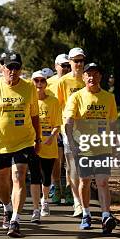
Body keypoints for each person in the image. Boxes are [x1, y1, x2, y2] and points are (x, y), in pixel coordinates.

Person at [0, 51, 40, 237]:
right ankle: (7, 207)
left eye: (16, 67)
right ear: (2, 67)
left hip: (24, 141)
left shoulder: (29, 88)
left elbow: (34, 115)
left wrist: (38, 139)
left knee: (19, 176)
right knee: (2, 180)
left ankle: (16, 220)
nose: (13, 71)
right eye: (9, 67)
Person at [64, 63, 118, 234]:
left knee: (102, 182)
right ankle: (86, 213)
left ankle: (105, 216)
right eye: (88, 74)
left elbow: (113, 123)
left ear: (100, 77)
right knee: (85, 182)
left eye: (95, 74)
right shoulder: (77, 97)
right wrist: (72, 142)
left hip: (103, 147)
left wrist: (115, 142)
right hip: (83, 147)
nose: (91, 77)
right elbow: (69, 122)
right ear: (83, 77)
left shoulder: (109, 98)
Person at [29, 70, 62, 224]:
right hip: (32, 143)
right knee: (35, 175)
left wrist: (51, 137)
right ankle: (36, 207)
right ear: (32, 83)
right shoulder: (28, 101)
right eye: (36, 81)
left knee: (46, 176)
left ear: (46, 83)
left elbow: (57, 124)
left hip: (49, 143)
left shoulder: (53, 101)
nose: (39, 84)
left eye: (42, 81)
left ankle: (45, 201)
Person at [56, 48, 86, 216]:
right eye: (75, 61)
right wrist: (59, 128)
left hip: (88, 131)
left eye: (81, 60)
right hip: (69, 130)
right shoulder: (63, 82)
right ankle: (77, 202)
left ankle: (84, 199)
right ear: (70, 62)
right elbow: (58, 106)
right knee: (73, 167)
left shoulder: (88, 79)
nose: (79, 64)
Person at [46, 53, 71, 205]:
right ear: (56, 67)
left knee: (69, 161)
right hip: (54, 125)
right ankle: (56, 187)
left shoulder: (75, 81)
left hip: (70, 126)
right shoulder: (48, 83)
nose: (67, 68)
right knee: (56, 160)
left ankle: (68, 190)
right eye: (64, 66)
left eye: (69, 65)